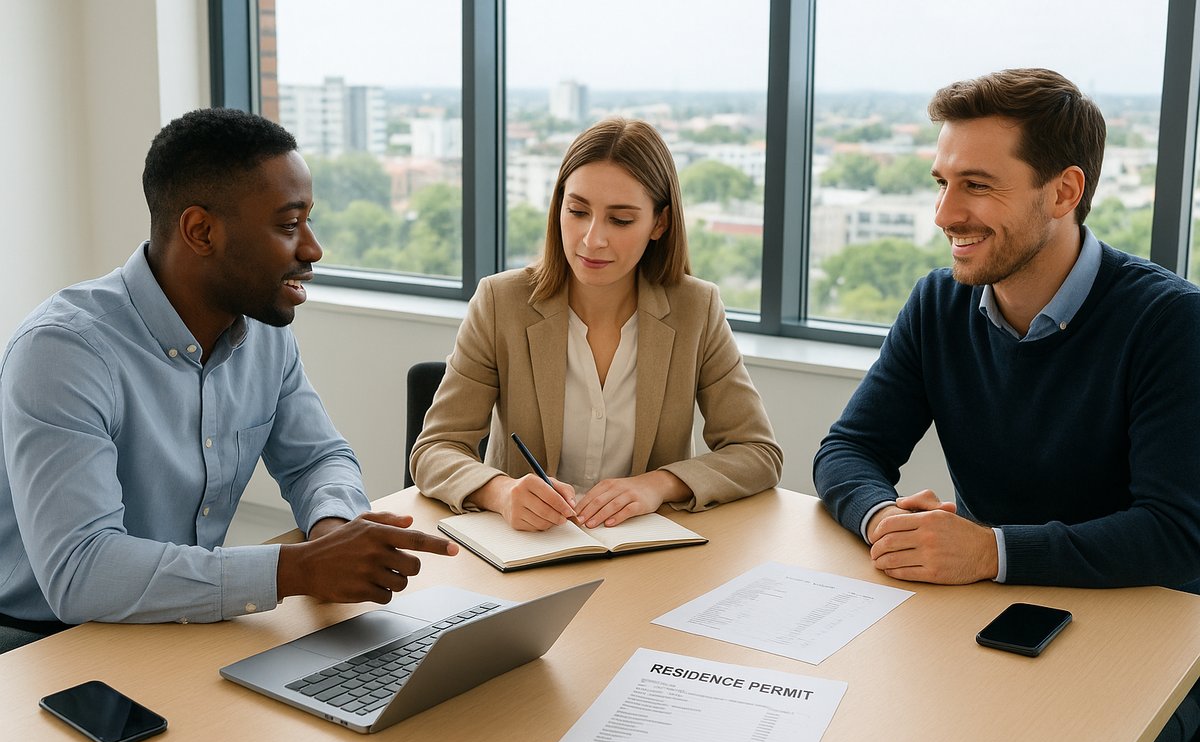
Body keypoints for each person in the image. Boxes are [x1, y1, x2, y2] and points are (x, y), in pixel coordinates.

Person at [812, 68, 1200, 742]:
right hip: (998, 619)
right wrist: (883, 519)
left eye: (977, 186)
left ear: (1063, 191)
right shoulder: (937, 303)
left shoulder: (1170, 322)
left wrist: (991, 549)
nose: (944, 213)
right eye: (943, 180)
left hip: (1152, 641)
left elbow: (1176, 533)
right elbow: (849, 450)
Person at [0, 108, 457, 649]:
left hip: (187, 621)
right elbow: (81, 571)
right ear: (201, 231)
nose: (312, 249)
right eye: (289, 225)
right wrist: (298, 570)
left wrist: (334, 529)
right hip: (46, 644)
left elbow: (316, 458)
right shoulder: (64, 352)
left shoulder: (262, 330)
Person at [411, 118, 782, 531]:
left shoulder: (696, 309)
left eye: (620, 220)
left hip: (646, 557)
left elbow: (757, 453)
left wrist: (659, 485)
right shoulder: (501, 302)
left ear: (658, 223)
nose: (592, 239)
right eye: (577, 211)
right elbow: (434, 450)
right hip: (528, 548)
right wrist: (500, 492)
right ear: (558, 208)